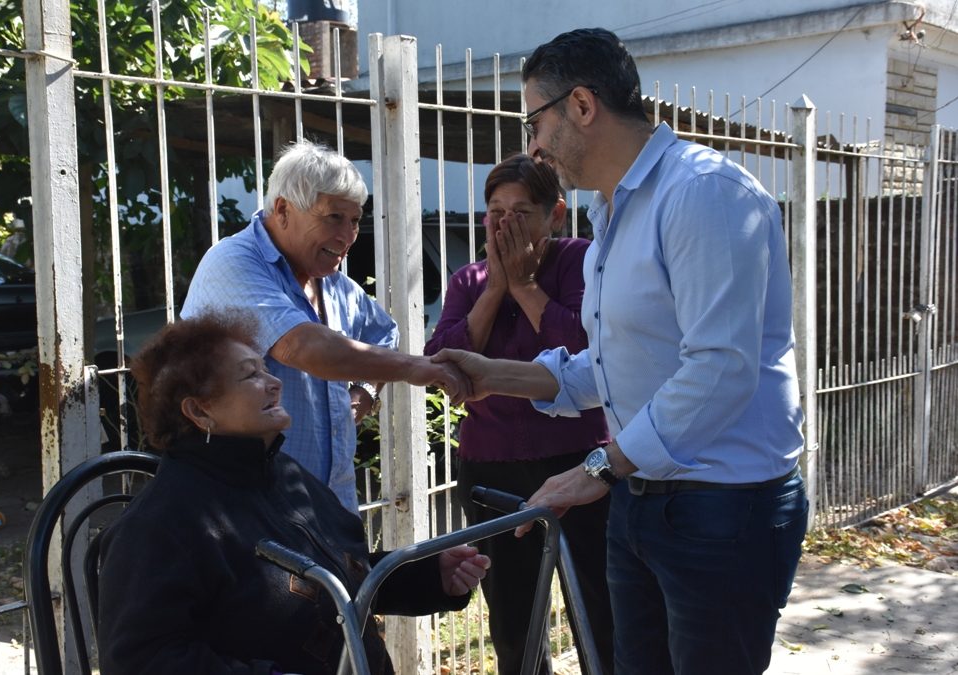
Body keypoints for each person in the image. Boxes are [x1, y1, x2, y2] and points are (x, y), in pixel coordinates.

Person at [433, 28, 809, 675]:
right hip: (645, 495)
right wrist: (495, 373)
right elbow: (606, 368)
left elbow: (720, 371)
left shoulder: (703, 194)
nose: (533, 146)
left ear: (581, 106)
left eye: (536, 121)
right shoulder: (616, 214)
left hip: (722, 505)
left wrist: (600, 468)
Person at [96, 311, 490, 675]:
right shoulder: (161, 525)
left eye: (266, 368)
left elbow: (332, 584)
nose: (275, 382)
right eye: (250, 375)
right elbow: (142, 660)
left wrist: (426, 577)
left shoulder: (280, 472)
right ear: (200, 412)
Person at [182, 140, 468, 512]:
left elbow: (383, 332)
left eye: (355, 220)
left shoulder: (328, 279)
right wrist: (417, 368)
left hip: (328, 501)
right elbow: (302, 348)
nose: (348, 236)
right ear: (283, 209)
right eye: (334, 218)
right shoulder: (234, 262)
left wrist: (363, 393)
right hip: (251, 503)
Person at [422, 154, 612, 674]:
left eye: (522, 211)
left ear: (556, 215)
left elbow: (586, 353)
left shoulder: (581, 261)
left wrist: (527, 286)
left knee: (601, 609)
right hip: (493, 468)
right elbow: (446, 361)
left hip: (581, 464)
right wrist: (498, 288)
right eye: (494, 210)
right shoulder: (469, 281)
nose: (505, 224)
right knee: (513, 622)